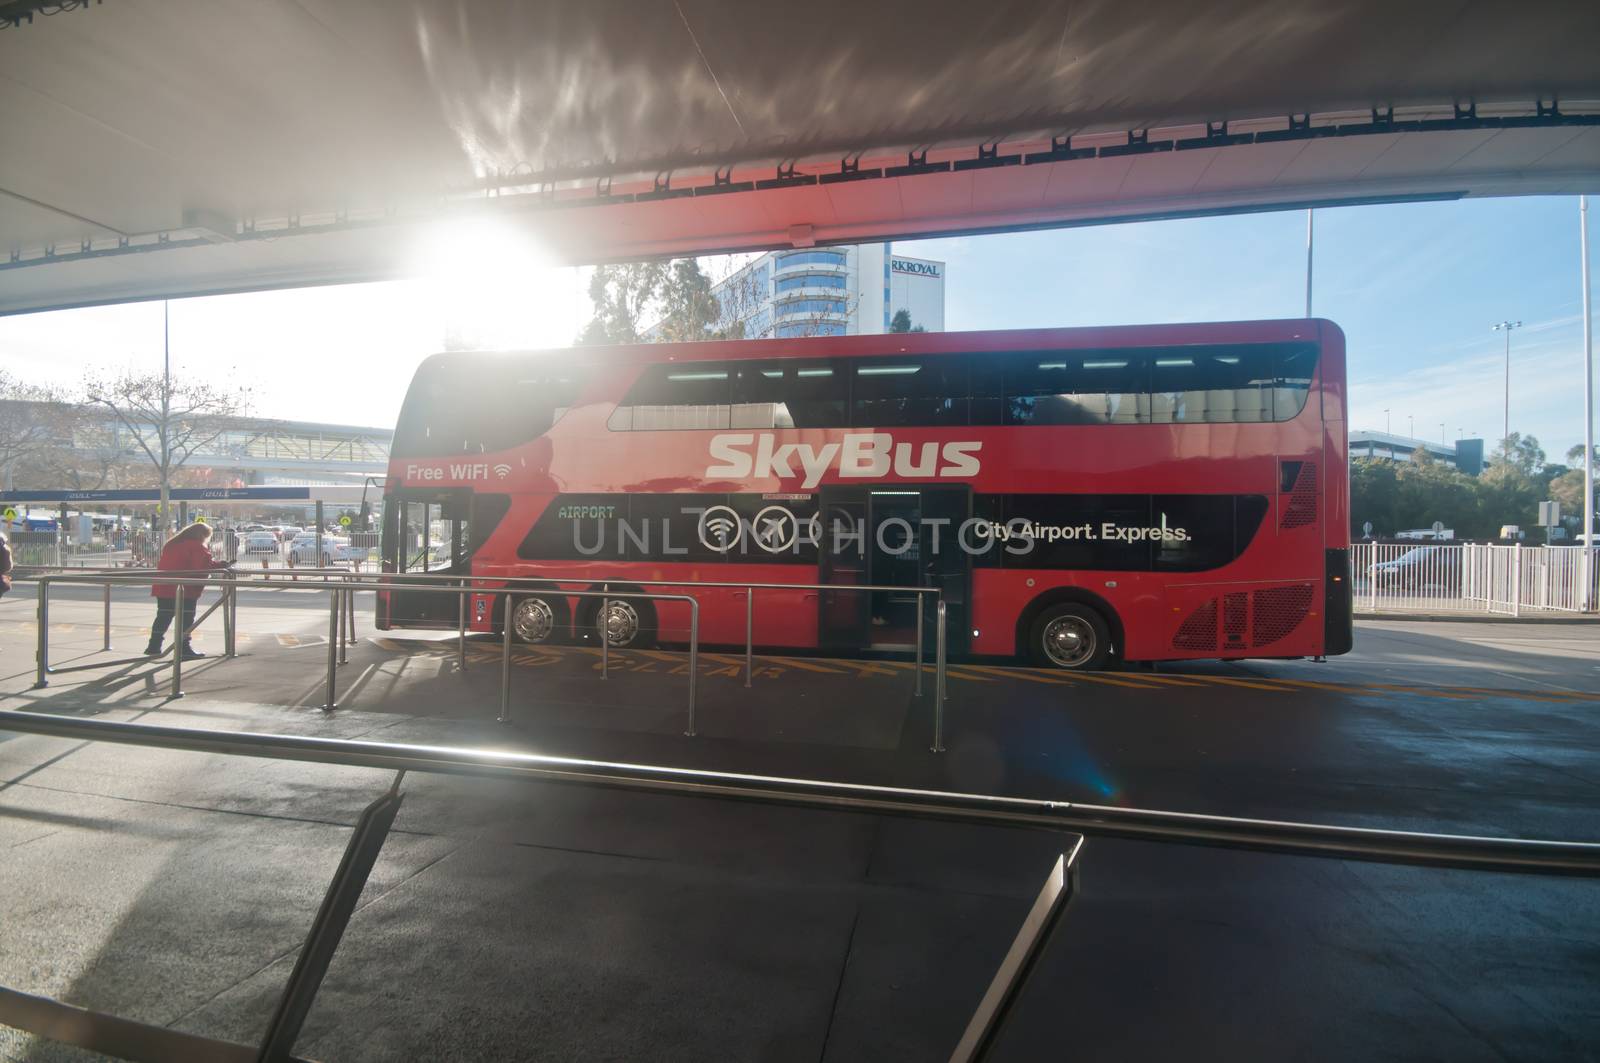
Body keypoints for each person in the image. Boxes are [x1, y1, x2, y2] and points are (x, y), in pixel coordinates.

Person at [146, 522, 230, 659]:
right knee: (186, 619)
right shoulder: (196, 546)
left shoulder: (172, 544)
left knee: (163, 617)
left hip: (164, 585)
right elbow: (201, 567)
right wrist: (221, 565)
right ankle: (184, 648)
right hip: (185, 588)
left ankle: (153, 646)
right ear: (201, 535)